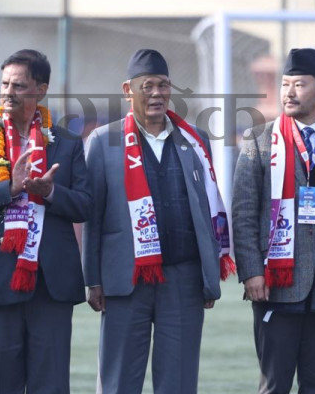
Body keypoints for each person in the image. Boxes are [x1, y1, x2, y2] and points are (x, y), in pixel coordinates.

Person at [83, 49, 233, 394]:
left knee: (179, 381)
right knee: (118, 381)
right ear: (128, 90)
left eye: (163, 85)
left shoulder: (195, 139)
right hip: (125, 278)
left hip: (183, 278)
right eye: (147, 85)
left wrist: (209, 275)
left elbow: (206, 207)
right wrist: (93, 279)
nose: (156, 93)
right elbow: (93, 216)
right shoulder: (103, 142)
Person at [0, 49, 92, 394]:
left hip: (51, 284)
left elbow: (86, 205)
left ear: (40, 90)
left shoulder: (67, 143)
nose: (8, 92)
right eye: (4, 84)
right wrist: (9, 188)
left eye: (18, 85)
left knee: (51, 387)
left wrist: (51, 192)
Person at [231, 48, 315, 394]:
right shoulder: (258, 140)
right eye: (285, 84)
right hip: (276, 283)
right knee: (274, 385)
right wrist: (251, 272)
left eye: (299, 84)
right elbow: (243, 212)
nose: (289, 92)